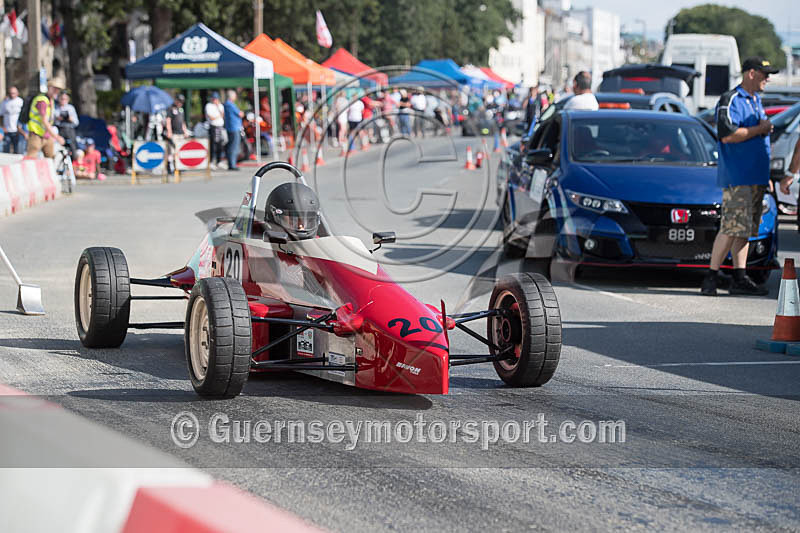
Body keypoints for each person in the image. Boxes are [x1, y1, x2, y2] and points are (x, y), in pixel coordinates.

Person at [700, 57, 780, 296]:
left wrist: (765, 174)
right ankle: (710, 277)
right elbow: (727, 134)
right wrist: (761, 129)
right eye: (764, 74)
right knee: (731, 227)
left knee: (744, 229)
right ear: (751, 73)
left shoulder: (756, 100)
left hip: (755, 176)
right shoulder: (731, 99)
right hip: (738, 176)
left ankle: (739, 276)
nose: (768, 79)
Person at [25, 77, 66, 159]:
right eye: (54, 88)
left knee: (50, 158)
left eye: (58, 89)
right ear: (49, 87)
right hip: (36, 134)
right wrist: (57, 137)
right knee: (31, 157)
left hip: (46, 134)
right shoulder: (42, 100)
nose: (56, 91)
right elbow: (44, 121)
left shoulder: (51, 100)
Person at [224, 90, 244, 171]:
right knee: (233, 146)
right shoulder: (230, 105)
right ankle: (232, 164)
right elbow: (240, 114)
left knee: (232, 145)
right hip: (234, 127)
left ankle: (231, 163)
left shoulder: (226, 104)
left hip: (231, 127)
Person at [1, 86, 24, 153]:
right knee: (6, 151)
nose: (12, 95)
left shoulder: (20, 101)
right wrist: (2, 127)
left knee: (18, 151)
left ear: (17, 93)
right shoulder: (4, 102)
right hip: (7, 130)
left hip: (18, 130)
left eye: (13, 93)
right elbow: (1, 115)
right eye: (10, 93)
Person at [205, 92, 225, 169]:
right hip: (213, 126)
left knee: (220, 144)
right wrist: (218, 116)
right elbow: (211, 117)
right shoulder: (209, 106)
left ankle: (219, 161)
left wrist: (218, 109)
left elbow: (222, 115)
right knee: (213, 145)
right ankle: (211, 161)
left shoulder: (220, 106)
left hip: (220, 126)